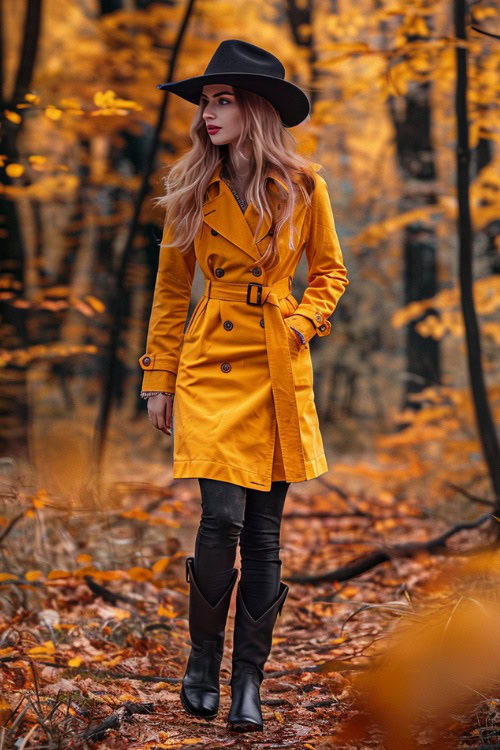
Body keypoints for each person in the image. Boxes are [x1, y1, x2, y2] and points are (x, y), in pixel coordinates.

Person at [139, 39, 349, 732]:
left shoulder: (304, 186)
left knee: (264, 534)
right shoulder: (190, 189)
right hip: (209, 366)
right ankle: (202, 660)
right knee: (221, 517)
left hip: (278, 362)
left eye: (220, 101)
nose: (207, 114)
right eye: (204, 102)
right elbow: (172, 294)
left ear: (254, 110)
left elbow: (330, 276)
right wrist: (158, 378)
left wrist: (300, 325)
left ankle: (247, 682)